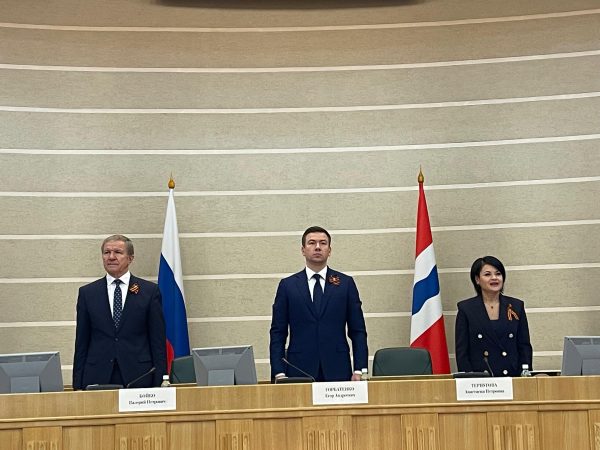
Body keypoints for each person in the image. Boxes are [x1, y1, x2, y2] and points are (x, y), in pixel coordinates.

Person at [269, 226, 368, 382]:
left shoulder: (345, 284)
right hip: (299, 368)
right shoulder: (288, 286)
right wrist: (278, 372)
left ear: (329, 250)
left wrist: (359, 369)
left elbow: (358, 331)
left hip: (338, 368)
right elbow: (278, 332)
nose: (317, 247)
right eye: (311, 243)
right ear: (303, 250)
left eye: (323, 243)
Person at [73, 235, 167, 389]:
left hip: (139, 375)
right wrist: (77, 384)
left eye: (117, 252)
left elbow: (157, 341)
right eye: (106, 252)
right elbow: (81, 342)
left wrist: (161, 381)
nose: (111, 257)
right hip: (98, 374)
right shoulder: (88, 293)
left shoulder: (149, 292)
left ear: (130, 258)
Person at [455, 256, 532, 377]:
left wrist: (525, 376)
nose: (494, 278)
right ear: (477, 279)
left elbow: (524, 347)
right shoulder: (466, 309)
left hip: (512, 377)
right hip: (481, 381)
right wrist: (469, 379)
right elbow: (462, 352)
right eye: (487, 274)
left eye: (498, 274)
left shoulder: (516, 306)